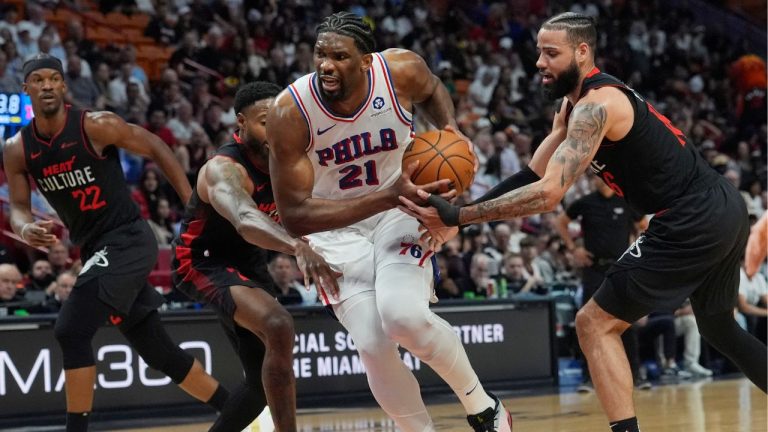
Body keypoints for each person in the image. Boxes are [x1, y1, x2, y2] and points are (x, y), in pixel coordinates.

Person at [401, 13, 767, 432]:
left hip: (693, 212)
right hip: (720, 205)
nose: (539, 61)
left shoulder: (598, 105)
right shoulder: (572, 106)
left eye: (551, 53)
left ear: (582, 52)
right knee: (719, 327)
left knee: (593, 324)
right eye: (539, 51)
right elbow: (534, 174)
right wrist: (459, 221)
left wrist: (462, 215)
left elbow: (550, 193)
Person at [266, 12, 511, 432]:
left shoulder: (399, 71)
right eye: (320, 54)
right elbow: (294, 215)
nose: (325, 64)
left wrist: (450, 132)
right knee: (373, 343)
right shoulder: (291, 112)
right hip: (335, 227)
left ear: (365, 61)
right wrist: (384, 194)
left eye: (338, 56)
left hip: (401, 211)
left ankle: (485, 409)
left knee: (403, 317)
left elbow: (433, 89)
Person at [3, 54, 229, 432]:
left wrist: (194, 207)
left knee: (70, 330)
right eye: (37, 80)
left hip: (127, 238)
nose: (46, 85)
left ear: (64, 86)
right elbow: (20, 209)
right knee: (159, 352)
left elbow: (155, 145)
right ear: (25, 88)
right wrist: (25, 229)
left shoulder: (95, 125)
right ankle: (241, 411)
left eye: (53, 79)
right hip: (95, 249)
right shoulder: (17, 148)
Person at [172, 81, 341, 432]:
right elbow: (245, 220)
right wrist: (297, 246)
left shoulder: (290, 161)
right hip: (202, 261)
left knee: (258, 387)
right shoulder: (223, 168)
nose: (275, 129)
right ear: (241, 123)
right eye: (265, 121)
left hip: (248, 264)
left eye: (282, 120)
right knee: (278, 324)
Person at [554, 174, 648, 391]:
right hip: (594, 269)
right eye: (596, 178)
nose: (600, 181)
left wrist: (636, 249)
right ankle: (588, 378)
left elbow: (644, 225)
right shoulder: (586, 202)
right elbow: (560, 222)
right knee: (589, 324)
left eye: (603, 177)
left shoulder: (626, 202)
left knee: (627, 322)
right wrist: (573, 248)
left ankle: (637, 375)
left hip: (620, 268)